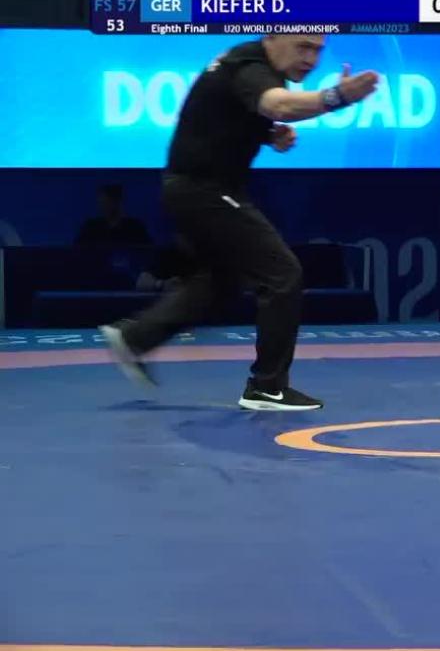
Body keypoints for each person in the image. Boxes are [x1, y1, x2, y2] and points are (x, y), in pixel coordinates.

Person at [99, 35, 378, 412]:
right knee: (282, 274)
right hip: (205, 191)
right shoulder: (251, 69)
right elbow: (278, 104)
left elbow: (223, 115)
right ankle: (267, 387)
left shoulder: (244, 65)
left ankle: (136, 337)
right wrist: (337, 96)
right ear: (274, 37)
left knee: (221, 281)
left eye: (317, 50)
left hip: (192, 189)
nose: (311, 59)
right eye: (303, 46)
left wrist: (268, 133)